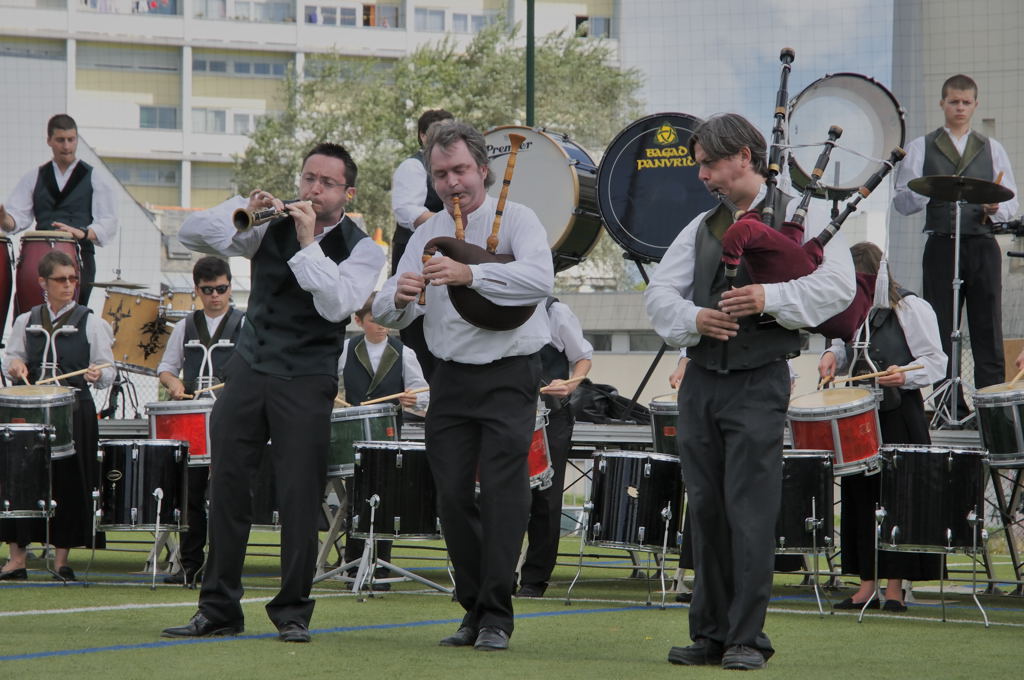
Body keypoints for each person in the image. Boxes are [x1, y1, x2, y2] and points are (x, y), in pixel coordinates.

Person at [644, 113, 855, 670]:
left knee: (750, 510)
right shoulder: (702, 227)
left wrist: (768, 297)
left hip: (760, 380)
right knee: (707, 508)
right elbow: (660, 298)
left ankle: (747, 638)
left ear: (744, 156)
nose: (703, 176)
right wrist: (696, 318)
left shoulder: (802, 215)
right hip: (701, 383)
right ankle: (710, 634)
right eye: (700, 167)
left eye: (709, 164)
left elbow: (836, 288)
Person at [161, 142, 384, 643]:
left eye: (326, 183)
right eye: (309, 178)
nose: (313, 189)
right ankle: (218, 609)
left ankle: (292, 613)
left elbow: (335, 306)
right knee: (228, 488)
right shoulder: (268, 226)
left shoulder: (364, 248)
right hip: (250, 368)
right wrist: (244, 209)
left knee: (300, 496)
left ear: (347, 193)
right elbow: (193, 232)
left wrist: (308, 241)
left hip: (307, 379)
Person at [373, 120, 554, 651]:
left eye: (460, 170)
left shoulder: (519, 218)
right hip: (448, 378)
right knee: (451, 496)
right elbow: (386, 309)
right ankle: (473, 607)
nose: (453, 182)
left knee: (503, 495)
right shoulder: (426, 233)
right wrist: (401, 296)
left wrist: (471, 274)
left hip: (510, 374)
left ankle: (496, 614)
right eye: (441, 174)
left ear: (483, 170)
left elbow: (541, 279)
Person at [819, 242, 946, 612]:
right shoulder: (850, 308)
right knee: (859, 496)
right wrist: (831, 354)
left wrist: (903, 376)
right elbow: (850, 349)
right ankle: (866, 584)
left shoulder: (911, 307)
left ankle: (895, 587)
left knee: (897, 498)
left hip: (899, 412)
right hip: (859, 417)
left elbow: (935, 361)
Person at [893, 74, 1019, 420]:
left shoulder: (992, 148)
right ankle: (948, 405)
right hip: (941, 245)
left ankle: (990, 409)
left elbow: (1012, 203)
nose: (960, 108)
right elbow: (902, 202)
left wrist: (997, 208)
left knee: (987, 328)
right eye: (953, 101)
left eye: (966, 102)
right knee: (940, 327)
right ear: (942, 104)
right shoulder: (922, 146)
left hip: (981, 245)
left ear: (975, 105)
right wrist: (927, 189)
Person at [0, 251, 115, 581]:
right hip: (32, 410)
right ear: (42, 283)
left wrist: (98, 375)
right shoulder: (26, 320)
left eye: (73, 280)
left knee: (68, 481)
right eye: (61, 280)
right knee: (21, 480)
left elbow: (108, 370)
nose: (69, 286)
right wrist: (16, 366)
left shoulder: (92, 322)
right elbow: (13, 359)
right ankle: (17, 558)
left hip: (74, 409)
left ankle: (61, 559)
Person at [155, 256, 245, 586]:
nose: (215, 296)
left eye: (221, 289)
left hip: (229, 417)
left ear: (230, 286)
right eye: (208, 290)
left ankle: (221, 566)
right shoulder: (185, 325)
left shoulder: (244, 324)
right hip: (193, 419)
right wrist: (174, 383)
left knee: (224, 494)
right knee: (190, 495)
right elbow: (166, 368)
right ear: (197, 290)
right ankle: (189, 564)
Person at [338, 292, 429, 585]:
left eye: (385, 320)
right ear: (359, 321)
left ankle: (381, 565)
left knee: (387, 499)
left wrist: (411, 399)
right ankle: (353, 563)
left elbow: (423, 397)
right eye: (374, 319)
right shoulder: (346, 349)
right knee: (355, 499)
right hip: (353, 435)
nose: (381, 325)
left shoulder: (405, 352)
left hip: (389, 434)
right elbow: (332, 387)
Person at [515, 297, 592, 598]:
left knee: (546, 499)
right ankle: (498, 574)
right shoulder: (491, 307)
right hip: (506, 411)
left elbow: (583, 358)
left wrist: (570, 384)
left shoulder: (555, 311)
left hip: (551, 416)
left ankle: (535, 580)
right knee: (501, 495)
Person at [0, 114, 119, 305]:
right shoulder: (34, 177)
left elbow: (109, 222)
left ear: (77, 140)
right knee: (34, 312)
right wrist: (4, 218)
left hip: (79, 256)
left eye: (71, 140)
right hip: (40, 258)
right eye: (60, 140)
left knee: (74, 319)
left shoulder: (95, 177)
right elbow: (17, 218)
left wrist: (82, 232)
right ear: (49, 141)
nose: (66, 146)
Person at [390, 108, 455, 384]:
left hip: (446, 260)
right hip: (417, 257)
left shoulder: (454, 171)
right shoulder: (413, 166)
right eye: (440, 131)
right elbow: (406, 210)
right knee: (418, 328)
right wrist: (449, 223)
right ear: (422, 136)